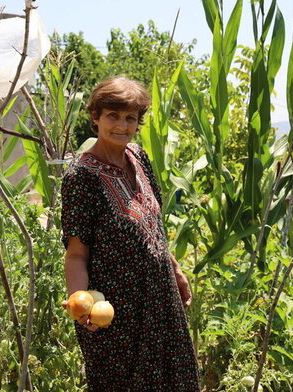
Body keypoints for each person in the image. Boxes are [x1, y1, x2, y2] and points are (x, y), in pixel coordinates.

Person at [61, 76, 200, 391]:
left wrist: (175, 270)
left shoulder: (138, 158)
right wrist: (79, 304)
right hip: (117, 315)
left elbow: (154, 224)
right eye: (113, 116)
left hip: (161, 302)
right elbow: (76, 253)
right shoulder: (82, 177)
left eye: (130, 118)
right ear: (95, 117)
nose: (122, 125)